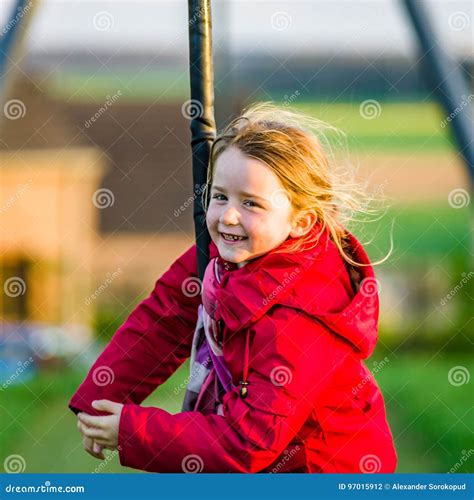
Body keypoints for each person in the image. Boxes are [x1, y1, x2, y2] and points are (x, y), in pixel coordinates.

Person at [70, 102, 397, 473]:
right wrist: (102, 395)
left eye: (251, 204)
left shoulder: (301, 314)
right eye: (221, 195)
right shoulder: (223, 258)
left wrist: (133, 431)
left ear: (301, 221)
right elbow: (168, 314)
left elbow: (250, 441)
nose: (227, 215)